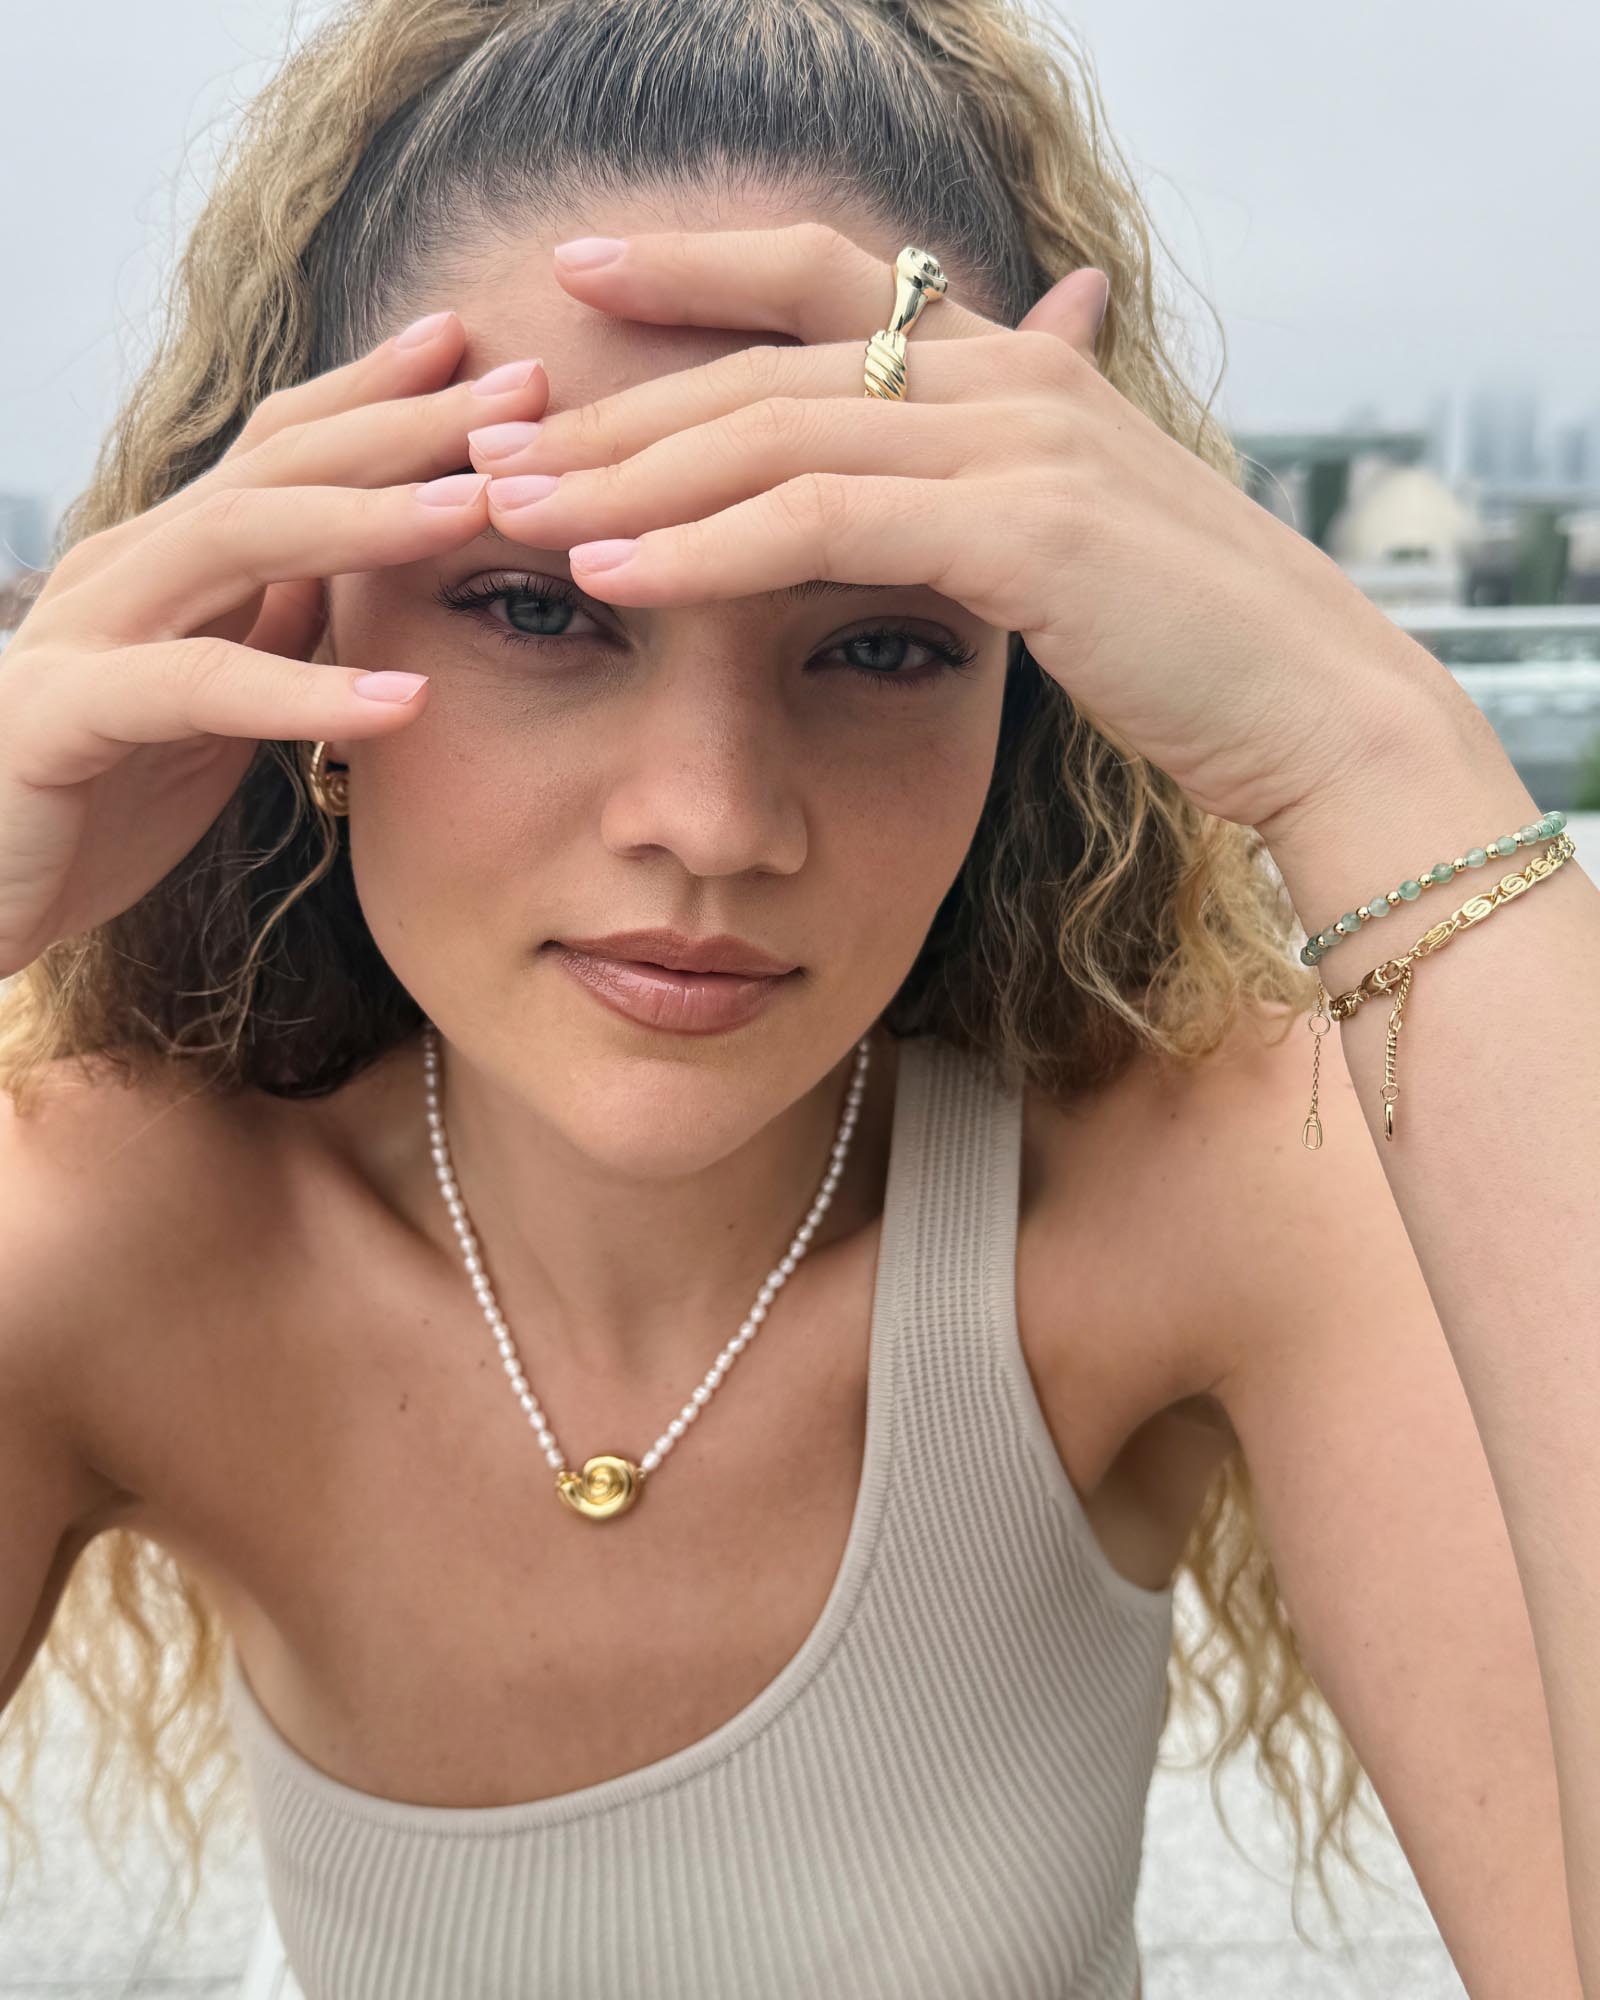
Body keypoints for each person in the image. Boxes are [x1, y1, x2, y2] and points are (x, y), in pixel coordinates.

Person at [0, 1, 1593, 1996]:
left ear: (1031, 679)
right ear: (287, 619)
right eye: (537, 605)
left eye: (882, 644)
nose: (712, 819)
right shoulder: (103, 1240)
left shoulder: (1194, 1185)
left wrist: (1380, 758)